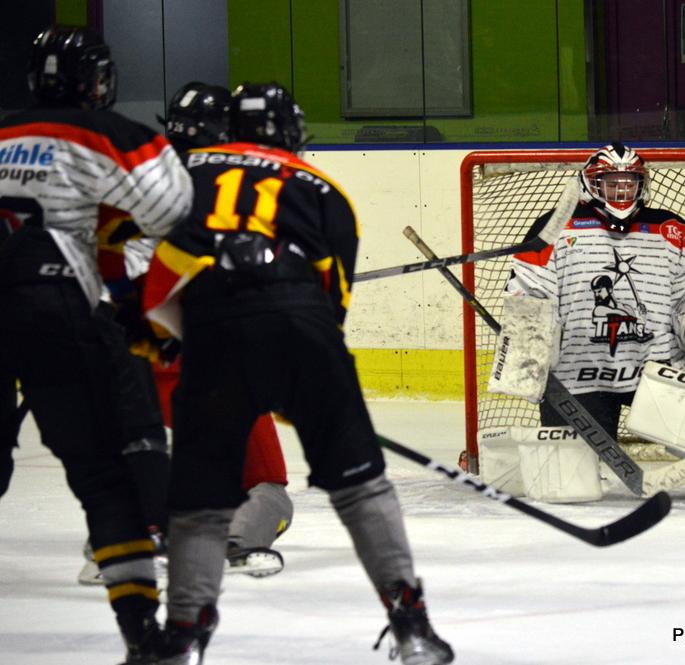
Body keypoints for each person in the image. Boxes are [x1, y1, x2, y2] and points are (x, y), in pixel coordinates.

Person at [142, 82, 453, 665]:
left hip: (212, 339)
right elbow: (331, 311)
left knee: (200, 502)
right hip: (304, 334)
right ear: (291, 134)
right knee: (362, 488)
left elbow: (158, 291)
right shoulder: (325, 189)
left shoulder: (183, 178)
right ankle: (412, 628)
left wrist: (210, 347)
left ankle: (182, 636)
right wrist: (296, 385)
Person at [0, 25, 192, 664]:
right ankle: (143, 635)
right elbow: (174, 214)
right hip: (57, 311)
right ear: (97, 82)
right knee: (105, 479)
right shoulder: (113, 134)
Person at [75, 82, 294, 586]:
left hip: (119, 349)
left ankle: (116, 538)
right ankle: (237, 541)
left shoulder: (130, 175)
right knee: (267, 486)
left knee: (137, 454)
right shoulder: (231, 188)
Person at [506, 142, 685, 437]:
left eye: (629, 183)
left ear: (641, 185)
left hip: (659, 365)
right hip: (578, 372)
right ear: (591, 184)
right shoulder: (555, 225)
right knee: (573, 460)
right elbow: (528, 292)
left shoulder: (669, 229)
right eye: (611, 182)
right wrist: (530, 357)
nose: (621, 191)